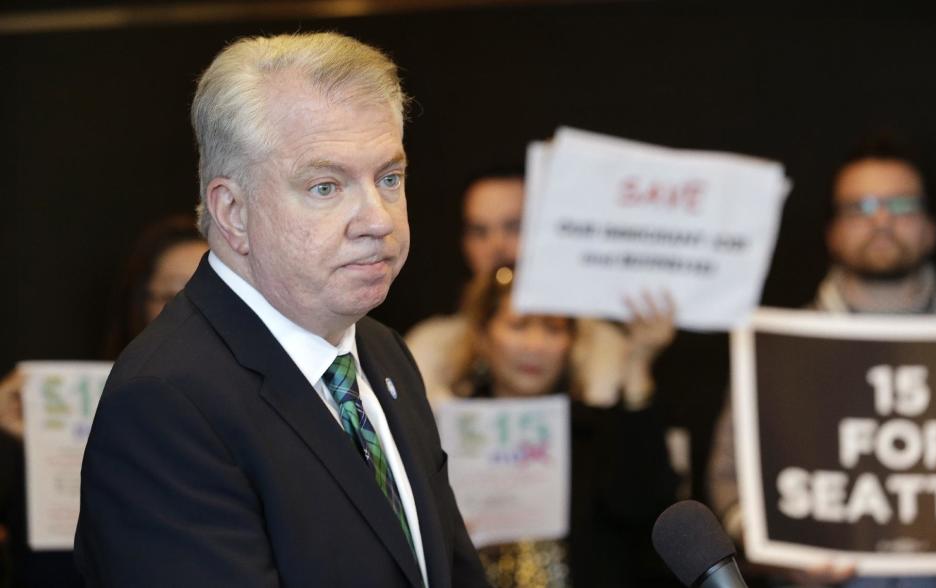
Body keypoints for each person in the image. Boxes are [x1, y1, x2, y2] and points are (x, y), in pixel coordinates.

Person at [75, 32, 487, 587]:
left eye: (389, 178)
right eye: (325, 186)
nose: (378, 219)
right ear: (233, 211)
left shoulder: (383, 352)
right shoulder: (165, 402)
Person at [708, 136, 936, 587]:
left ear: (932, 227)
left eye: (901, 205)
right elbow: (729, 479)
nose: (881, 220)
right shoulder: (778, 348)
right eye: (860, 207)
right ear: (833, 232)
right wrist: (774, 548)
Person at [0, 214, 205, 588]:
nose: (193, 313)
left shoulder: (271, 407)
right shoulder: (100, 399)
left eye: (209, 294)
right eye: (173, 296)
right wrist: (35, 444)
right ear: (141, 304)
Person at [448, 266, 679, 587]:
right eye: (519, 326)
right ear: (483, 337)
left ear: (571, 343)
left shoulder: (595, 433)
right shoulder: (442, 438)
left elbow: (646, 506)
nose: (535, 345)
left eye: (553, 329)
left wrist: (638, 364)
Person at [407, 171, 648, 410]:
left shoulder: (604, 347)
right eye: (479, 231)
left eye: (514, 227)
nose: (497, 246)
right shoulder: (430, 349)